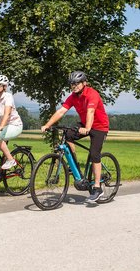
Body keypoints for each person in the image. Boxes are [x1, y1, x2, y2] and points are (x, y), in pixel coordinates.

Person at [41, 71, 109, 203]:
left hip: (99, 126)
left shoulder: (92, 94)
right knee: (68, 135)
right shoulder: (73, 97)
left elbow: (90, 111)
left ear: (84, 83)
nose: (74, 86)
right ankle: (74, 166)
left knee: (95, 154)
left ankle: (97, 188)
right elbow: (61, 111)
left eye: (77, 83)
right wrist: (48, 124)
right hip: (85, 124)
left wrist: (88, 128)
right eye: (72, 84)